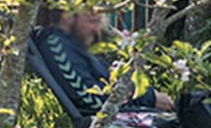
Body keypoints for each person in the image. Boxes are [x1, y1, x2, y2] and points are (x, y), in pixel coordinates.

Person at [33, 8, 175, 117]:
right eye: (91, 21)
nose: (96, 29)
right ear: (67, 17)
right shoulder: (57, 46)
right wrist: (149, 98)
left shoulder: (72, 45)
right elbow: (90, 99)